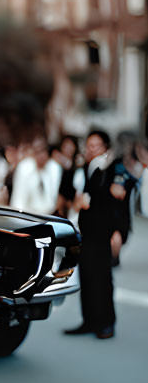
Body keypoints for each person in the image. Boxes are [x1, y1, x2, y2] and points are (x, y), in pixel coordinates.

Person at [64, 130, 127, 340]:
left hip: (104, 232)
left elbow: (120, 202)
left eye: (96, 145)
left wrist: (119, 231)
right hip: (86, 231)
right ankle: (89, 321)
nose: (92, 149)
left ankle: (106, 323)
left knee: (102, 278)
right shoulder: (84, 167)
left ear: (105, 147)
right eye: (89, 145)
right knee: (88, 277)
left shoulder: (113, 167)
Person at [9, 139, 62, 215]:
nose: (41, 155)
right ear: (33, 153)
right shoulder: (24, 167)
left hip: (49, 215)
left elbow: (54, 199)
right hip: (27, 215)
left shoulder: (54, 168)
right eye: (38, 152)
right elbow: (18, 199)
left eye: (43, 151)